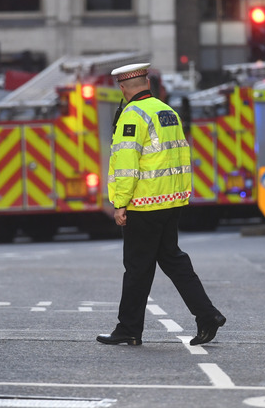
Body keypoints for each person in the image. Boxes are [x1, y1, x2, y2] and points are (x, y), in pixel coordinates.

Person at [97, 62, 226, 347]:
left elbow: (128, 165)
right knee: (172, 259)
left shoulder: (132, 116)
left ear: (122, 88)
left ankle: (129, 328)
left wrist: (120, 203)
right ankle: (207, 315)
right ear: (147, 83)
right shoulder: (167, 111)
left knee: (137, 267)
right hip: (170, 200)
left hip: (144, 203)